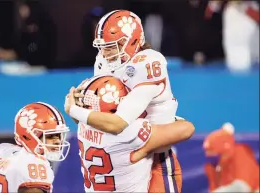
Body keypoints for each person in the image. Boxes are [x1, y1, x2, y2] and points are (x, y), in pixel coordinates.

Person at [66, 10, 183, 193]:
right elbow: (99, 115)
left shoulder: (148, 62)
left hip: (155, 153)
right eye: (102, 46)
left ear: (133, 41)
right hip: (124, 150)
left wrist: (73, 110)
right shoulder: (103, 60)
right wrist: (84, 102)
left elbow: (119, 122)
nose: (105, 53)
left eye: (111, 46)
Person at [65, 75, 194, 192]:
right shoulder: (128, 132)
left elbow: (89, 117)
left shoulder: (82, 125)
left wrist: (73, 109)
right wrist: (169, 120)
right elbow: (187, 129)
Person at [0, 102, 70, 193]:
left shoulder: (1, 151)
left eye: (59, 135)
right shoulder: (35, 166)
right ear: (28, 136)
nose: (58, 141)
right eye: (50, 136)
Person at [203, 122, 259, 193]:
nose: (209, 154)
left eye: (212, 151)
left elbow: (242, 187)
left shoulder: (240, 152)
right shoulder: (210, 165)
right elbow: (214, 189)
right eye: (207, 151)